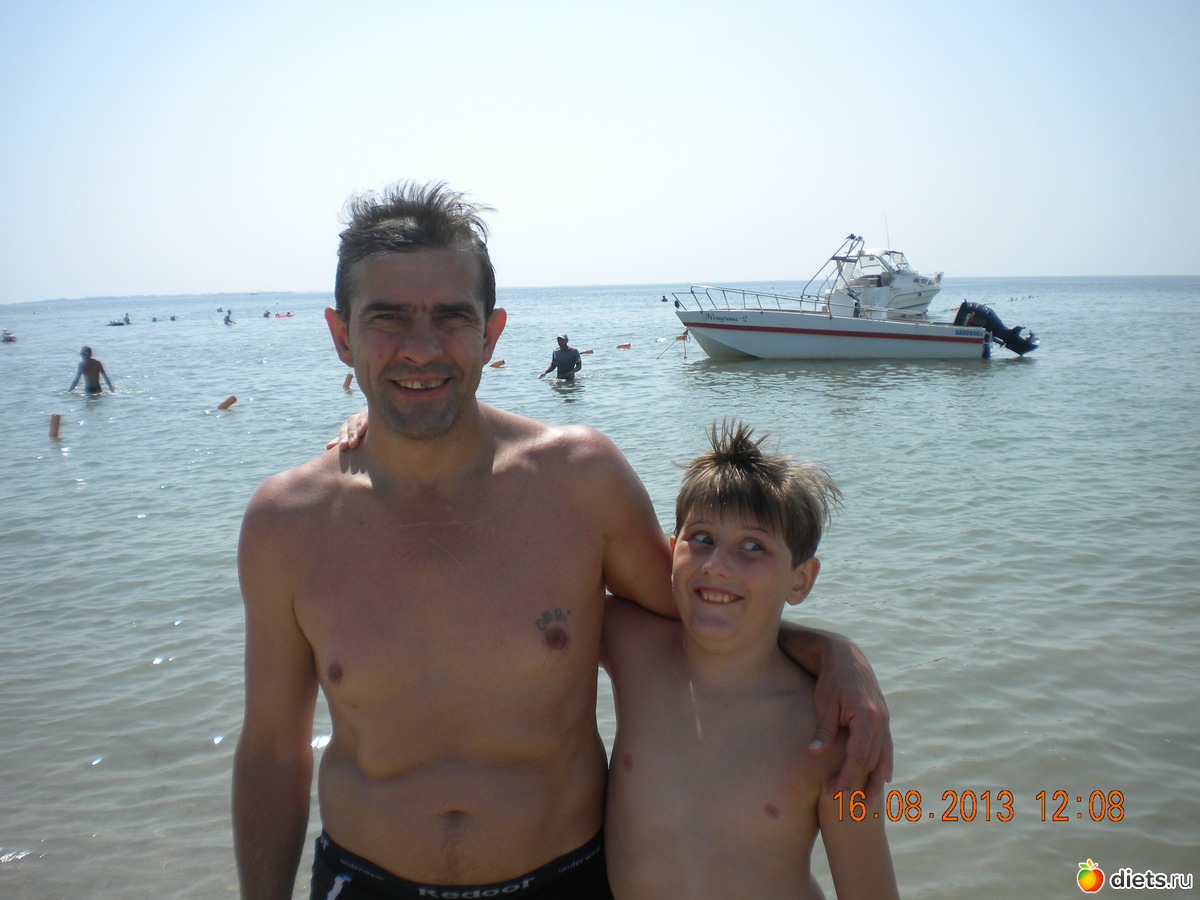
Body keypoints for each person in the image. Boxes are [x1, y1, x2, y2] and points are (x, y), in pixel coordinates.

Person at [235, 181, 891, 900]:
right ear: (341, 336)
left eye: (451, 317)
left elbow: (703, 610)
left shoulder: (581, 480)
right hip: (362, 880)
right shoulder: (287, 523)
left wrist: (834, 654)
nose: (420, 347)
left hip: (565, 877)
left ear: (491, 333)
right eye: (387, 317)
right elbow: (272, 750)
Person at [602, 421, 898, 898]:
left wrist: (841, 652)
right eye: (701, 538)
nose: (717, 564)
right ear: (672, 551)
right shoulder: (630, 646)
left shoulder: (832, 734)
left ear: (801, 580)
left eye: (754, 547)